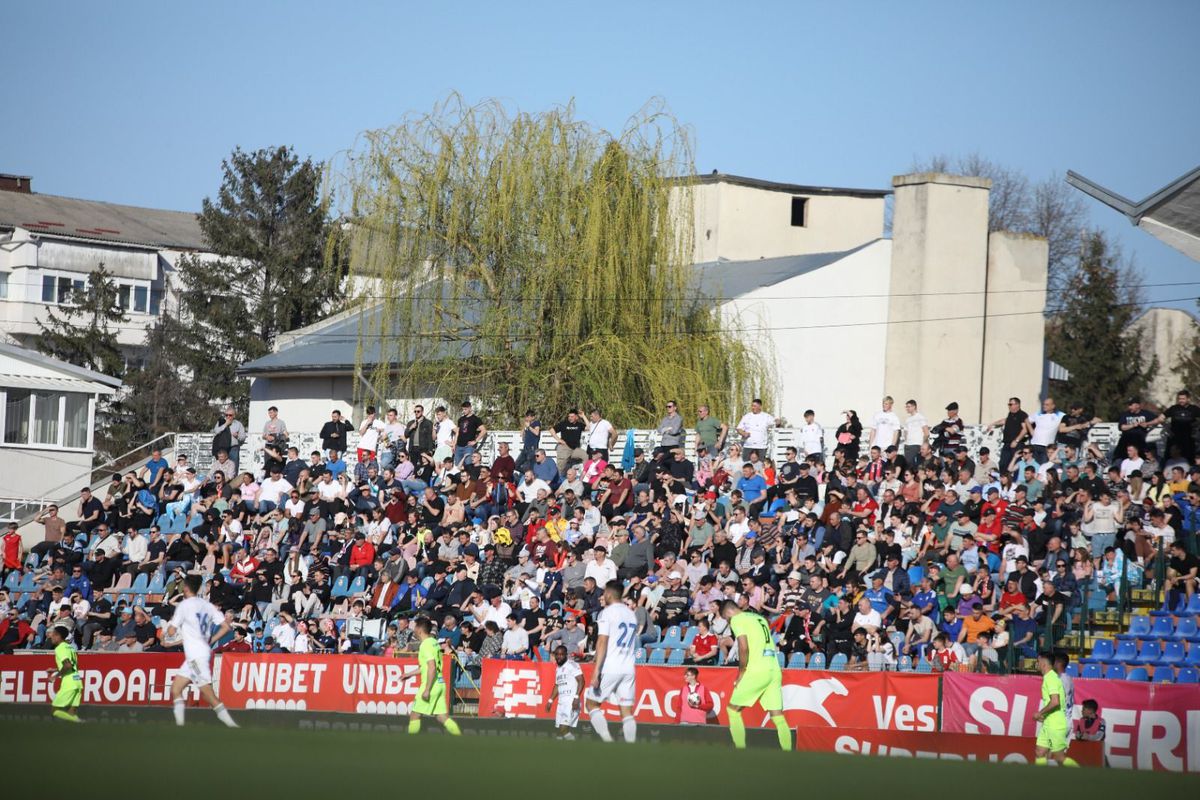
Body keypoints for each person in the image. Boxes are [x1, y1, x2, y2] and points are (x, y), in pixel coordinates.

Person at [165, 575, 238, 728]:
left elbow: (171, 632)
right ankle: (179, 726)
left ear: (185, 588)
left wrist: (169, 625)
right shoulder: (207, 605)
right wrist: (211, 639)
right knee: (176, 688)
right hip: (199, 651)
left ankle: (231, 725)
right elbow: (226, 627)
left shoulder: (184, 605)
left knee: (207, 693)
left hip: (196, 654)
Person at [720, 599, 790, 751]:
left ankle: (740, 751)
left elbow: (743, 648)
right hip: (774, 668)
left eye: (726, 618)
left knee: (732, 710)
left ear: (728, 612)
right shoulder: (758, 617)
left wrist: (741, 672)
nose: (728, 621)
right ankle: (788, 753)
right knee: (777, 715)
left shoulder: (737, 619)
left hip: (757, 669)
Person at [584, 580, 639, 743]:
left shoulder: (607, 613)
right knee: (626, 712)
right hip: (628, 667)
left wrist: (596, 671)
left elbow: (602, 641)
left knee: (591, 704)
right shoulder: (631, 613)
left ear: (609, 593)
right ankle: (631, 746)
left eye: (604, 593)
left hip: (611, 666)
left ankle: (608, 741)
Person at [401, 616, 463, 737]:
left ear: (419, 629)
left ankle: (409, 744)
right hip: (440, 683)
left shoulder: (425, 645)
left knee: (415, 715)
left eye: (414, 627)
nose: (413, 630)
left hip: (431, 685)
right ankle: (460, 738)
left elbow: (432, 667)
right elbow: (427, 667)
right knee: (441, 717)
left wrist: (427, 689)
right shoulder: (434, 642)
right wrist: (408, 674)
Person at [1033, 651, 1074, 767]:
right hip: (1050, 721)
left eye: (1038, 661)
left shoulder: (1053, 678)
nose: (1037, 664)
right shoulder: (1056, 678)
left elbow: (1055, 701)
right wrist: (1044, 716)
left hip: (1057, 722)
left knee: (1058, 757)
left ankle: (1082, 777)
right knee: (1040, 752)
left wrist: (1040, 713)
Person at [544, 645, 584, 739]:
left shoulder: (572, 665)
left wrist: (576, 698)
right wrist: (550, 701)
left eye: (561, 654)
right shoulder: (558, 668)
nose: (559, 656)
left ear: (566, 655)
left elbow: (581, 681)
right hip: (561, 702)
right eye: (557, 654)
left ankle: (579, 748)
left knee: (563, 729)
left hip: (571, 701)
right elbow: (557, 685)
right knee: (560, 732)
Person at [46, 625, 82, 723]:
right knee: (71, 713)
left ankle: (80, 723)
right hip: (77, 681)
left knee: (55, 711)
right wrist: (54, 669)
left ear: (58, 636)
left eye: (53, 635)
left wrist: (55, 676)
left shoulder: (60, 648)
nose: (51, 637)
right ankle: (76, 727)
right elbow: (71, 664)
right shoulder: (70, 647)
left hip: (69, 682)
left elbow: (68, 665)